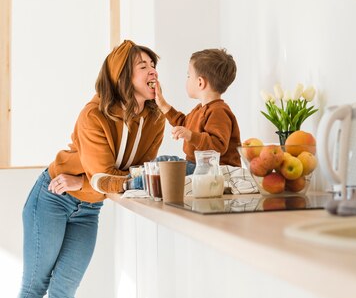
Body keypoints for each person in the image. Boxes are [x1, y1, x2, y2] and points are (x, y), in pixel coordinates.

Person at [19, 40, 165, 298]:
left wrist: (84, 183)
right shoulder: (94, 115)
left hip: (90, 207)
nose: (153, 71)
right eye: (143, 66)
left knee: (64, 290)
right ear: (122, 76)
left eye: (153, 65)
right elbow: (105, 178)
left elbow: (141, 172)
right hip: (54, 197)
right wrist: (97, 182)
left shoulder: (155, 120)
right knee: (35, 287)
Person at [154, 48, 241, 169]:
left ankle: (131, 183)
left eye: (189, 76)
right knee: (161, 161)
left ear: (200, 82)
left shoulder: (219, 111)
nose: (187, 79)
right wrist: (163, 105)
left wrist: (190, 136)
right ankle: (133, 179)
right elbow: (184, 124)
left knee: (165, 170)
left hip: (212, 169)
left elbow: (218, 146)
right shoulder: (200, 109)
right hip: (195, 165)